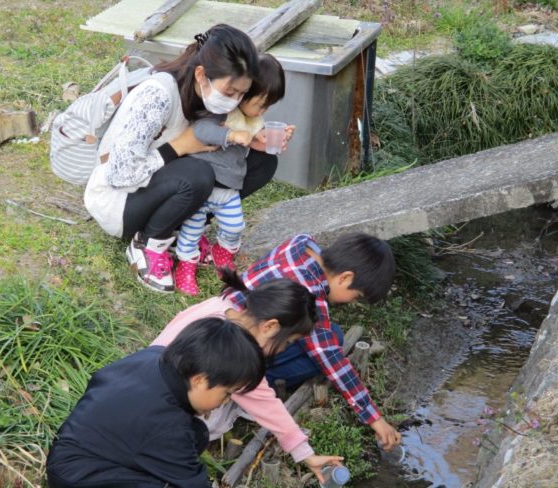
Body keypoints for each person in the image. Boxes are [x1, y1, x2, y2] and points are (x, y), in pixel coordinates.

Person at [84, 24, 282, 294]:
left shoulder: (208, 97)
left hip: (169, 185)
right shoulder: (159, 94)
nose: (235, 101)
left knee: (262, 162)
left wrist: (254, 137)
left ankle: (186, 229)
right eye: (230, 92)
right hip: (120, 201)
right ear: (202, 75)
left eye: (241, 95)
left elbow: (220, 150)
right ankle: (148, 242)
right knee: (198, 174)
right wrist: (179, 147)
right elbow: (120, 173)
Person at [151, 271, 343, 485]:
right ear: (270, 326)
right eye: (288, 342)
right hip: (164, 410)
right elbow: (265, 403)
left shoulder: (218, 307)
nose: (283, 349)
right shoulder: (236, 351)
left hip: (147, 376)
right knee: (210, 424)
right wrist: (305, 453)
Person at [227, 232, 404, 451]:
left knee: (334, 335)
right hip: (234, 352)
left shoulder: (301, 245)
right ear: (345, 278)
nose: (352, 302)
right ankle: (252, 388)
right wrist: (374, 418)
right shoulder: (308, 290)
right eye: (356, 295)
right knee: (327, 348)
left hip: (233, 320)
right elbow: (331, 360)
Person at [46, 318, 265, 488]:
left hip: (78, 445)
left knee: (197, 432)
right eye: (227, 393)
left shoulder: (156, 356)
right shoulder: (167, 427)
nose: (226, 402)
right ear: (200, 380)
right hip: (77, 477)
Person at [174, 54, 290, 295]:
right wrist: (230, 136)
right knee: (191, 231)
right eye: (261, 103)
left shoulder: (251, 118)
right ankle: (185, 266)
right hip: (204, 187)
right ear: (245, 93)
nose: (263, 110)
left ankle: (222, 251)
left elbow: (254, 134)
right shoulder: (223, 110)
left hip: (227, 190)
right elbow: (202, 128)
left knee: (235, 226)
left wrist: (270, 137)